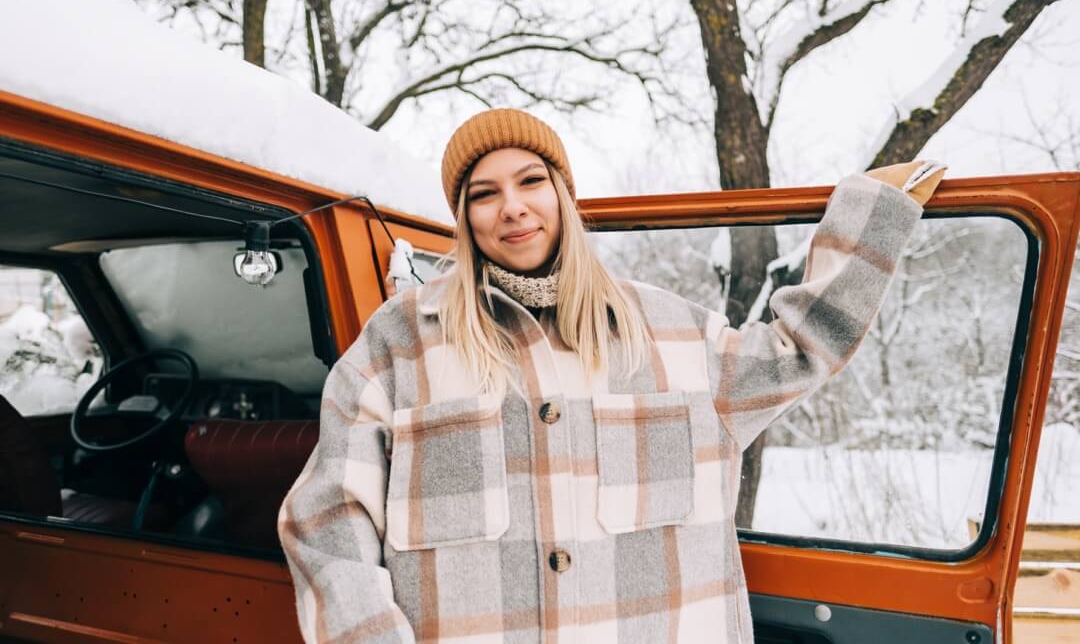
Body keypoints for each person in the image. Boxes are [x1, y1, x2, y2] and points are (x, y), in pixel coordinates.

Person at [278, 108, 945, 643]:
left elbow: (798, 349)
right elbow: (327, 522)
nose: (511, 206)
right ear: (464, 218)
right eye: (484, 194)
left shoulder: (667, 332)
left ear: (564, 195)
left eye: (531, 181)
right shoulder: (401, 345)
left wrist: (873, 217)